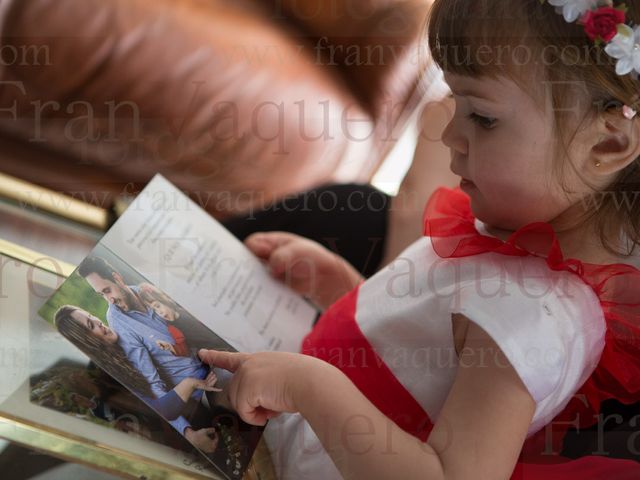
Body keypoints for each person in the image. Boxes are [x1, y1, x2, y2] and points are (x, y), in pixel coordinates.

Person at [199, 1, 640, 479]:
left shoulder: (535, 314)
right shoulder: (495, 235)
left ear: (607, 144)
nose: (449, 134)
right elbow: (420, 360)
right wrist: (342, 293)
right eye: (455, 104)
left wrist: (308, 387)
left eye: (484, 117)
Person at [54, 305, 221, 425]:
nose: (98, 322)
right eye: (91, 326)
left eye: (91, 316)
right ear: (87, 342)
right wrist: (189, 384)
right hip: (197, 404)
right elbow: (162, 410)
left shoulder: (125, 329)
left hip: (207, 370)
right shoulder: (115, 374)